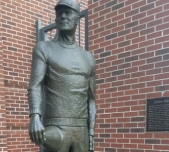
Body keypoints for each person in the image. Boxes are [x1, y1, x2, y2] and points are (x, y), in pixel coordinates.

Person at [27, 0, 96, 152]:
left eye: (68, 12)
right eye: (59, 13)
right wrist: (35, 116)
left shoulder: (88, 58)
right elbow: (35, 85)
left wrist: (91, 133)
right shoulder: (44, 49)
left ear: (77, 18)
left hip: (81, 131)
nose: (63, 16)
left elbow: (91, 99)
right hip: (56, 126)